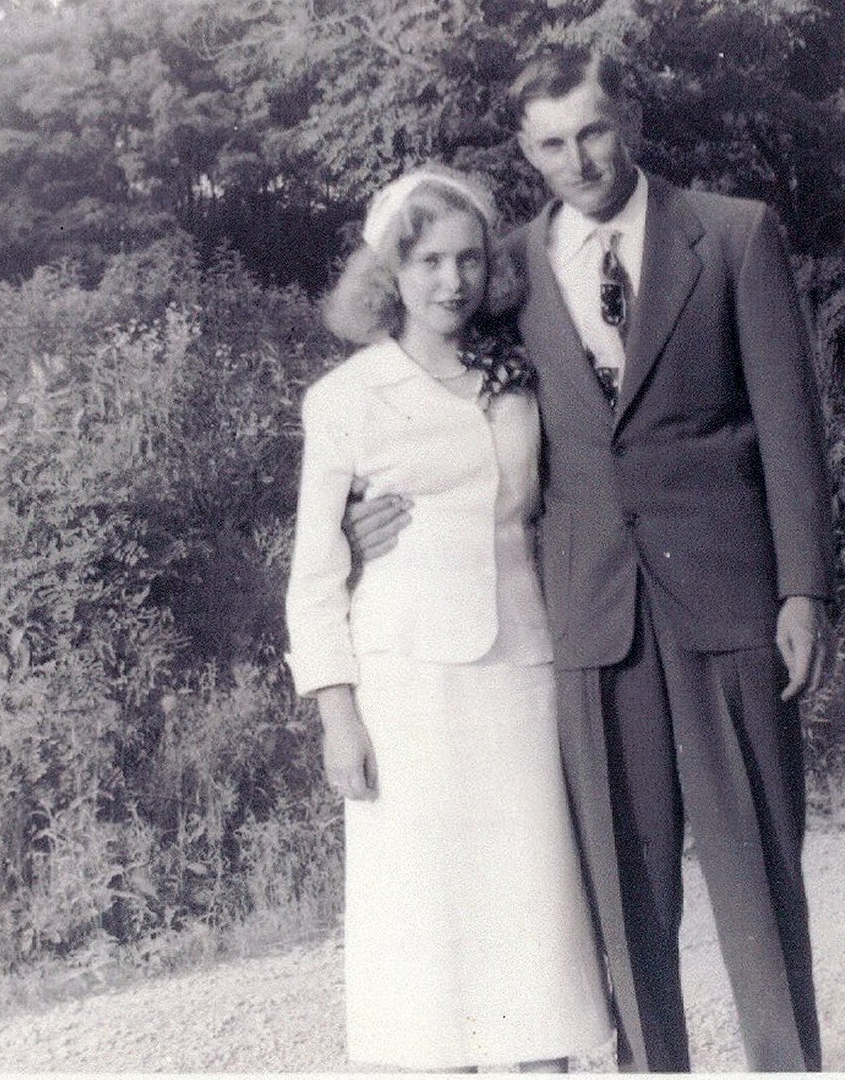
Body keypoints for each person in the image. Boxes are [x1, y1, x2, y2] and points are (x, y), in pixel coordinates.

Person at [347, 50, 838, 1073]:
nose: (578, 160)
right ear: (526, 152)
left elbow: (790, 425)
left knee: (757, 870)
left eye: (593, 132)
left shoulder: (733, 234)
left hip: (729, 598)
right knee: (625, 886)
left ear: (632, 120)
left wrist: (803, 588)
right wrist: (360, 509)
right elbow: (419, 382)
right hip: (586, 610)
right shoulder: (506, 270)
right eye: (552, 144)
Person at [284, 165, 613, 1073]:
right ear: (390, 271)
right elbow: (313, 575)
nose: (452, 281)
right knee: (426, 922)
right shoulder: (346, 398)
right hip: (406, 688)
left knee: (533, 904)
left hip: (520, 672)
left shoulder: (518, 375)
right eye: (428, 261)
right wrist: (337, 715)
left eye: (469, 259)